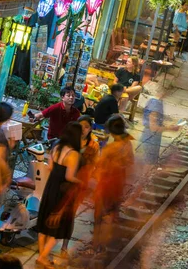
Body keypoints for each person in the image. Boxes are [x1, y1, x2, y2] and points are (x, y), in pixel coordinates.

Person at [36, 122, 82, 268]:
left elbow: (49, 167)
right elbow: (69, 177)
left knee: (44, 224)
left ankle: (42, 254)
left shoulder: (56, 145)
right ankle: (43, 257)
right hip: (61, 192)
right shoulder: (73, 154)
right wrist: (82, 181)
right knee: (56, 227)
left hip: (50, 188)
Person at [92, 115, 134, 254]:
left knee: (99, 216)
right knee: (111, 213)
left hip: (105, 184)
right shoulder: (128, 144)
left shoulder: (110, 148)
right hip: (119, 184)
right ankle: (104, 246)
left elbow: (99, 166)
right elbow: (130, 163)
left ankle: (96, 245)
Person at [61, 116, 99, 255]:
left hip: (78, 183)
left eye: (87, 127)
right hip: (63, 180)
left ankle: (64, 246)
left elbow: (94, 165)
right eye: (81, 126)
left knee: (70, 215)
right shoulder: (69, 140)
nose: (83, 129)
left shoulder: (93, 145)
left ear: (90, 129)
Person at [139, 83, 180, 164]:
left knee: (149, 161)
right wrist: (170, 128)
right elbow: (153, 127)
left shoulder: (154, 101)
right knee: (149, 162)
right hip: (150, 138)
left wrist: (166, 125)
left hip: (150, 136)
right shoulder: (156, 104)